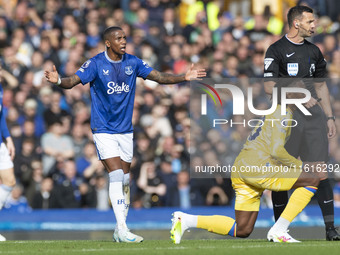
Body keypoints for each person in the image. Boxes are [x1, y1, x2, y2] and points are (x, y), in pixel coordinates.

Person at [45, 26, 206, 243]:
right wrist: (57, 80)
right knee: (116, 175)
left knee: (126, 181)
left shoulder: (133, 62)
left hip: (125, 131)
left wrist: (183, 77)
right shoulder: (95, 64)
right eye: (118, 38)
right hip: (103, 129)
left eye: (125, 38)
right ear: (108, 43)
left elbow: (158, 76)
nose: (123, 41)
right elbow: (71, 81)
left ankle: (119, 228)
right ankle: (122, 228)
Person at [171, 81, 323, 244]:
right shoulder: (283, 113)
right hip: (257, 167)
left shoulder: (277, 111)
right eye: (302, 93)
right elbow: (277, 151)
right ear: (290, 95)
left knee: (242, 229)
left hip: (242, 168)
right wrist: (299, 166)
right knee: (312, 180)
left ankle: (186, 220)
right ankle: (279, 230)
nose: (306, 96)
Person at [263, 5, 340, 241]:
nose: (314, 26)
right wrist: (296, 93)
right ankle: (279, 229)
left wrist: (329, 117)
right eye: (310, 22)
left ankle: (330, 229)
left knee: (320, 170)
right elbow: (268, 88)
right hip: (288, 119)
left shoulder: (315, 51)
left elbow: (320, 86)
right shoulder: (276, 50)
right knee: (282, 174)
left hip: (314, 119)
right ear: (297, 23)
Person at [0, 65, 17, 241]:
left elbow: (1, 116)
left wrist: (8, 138)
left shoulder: (0, 88)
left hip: (0, 143)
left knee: (9, 181)